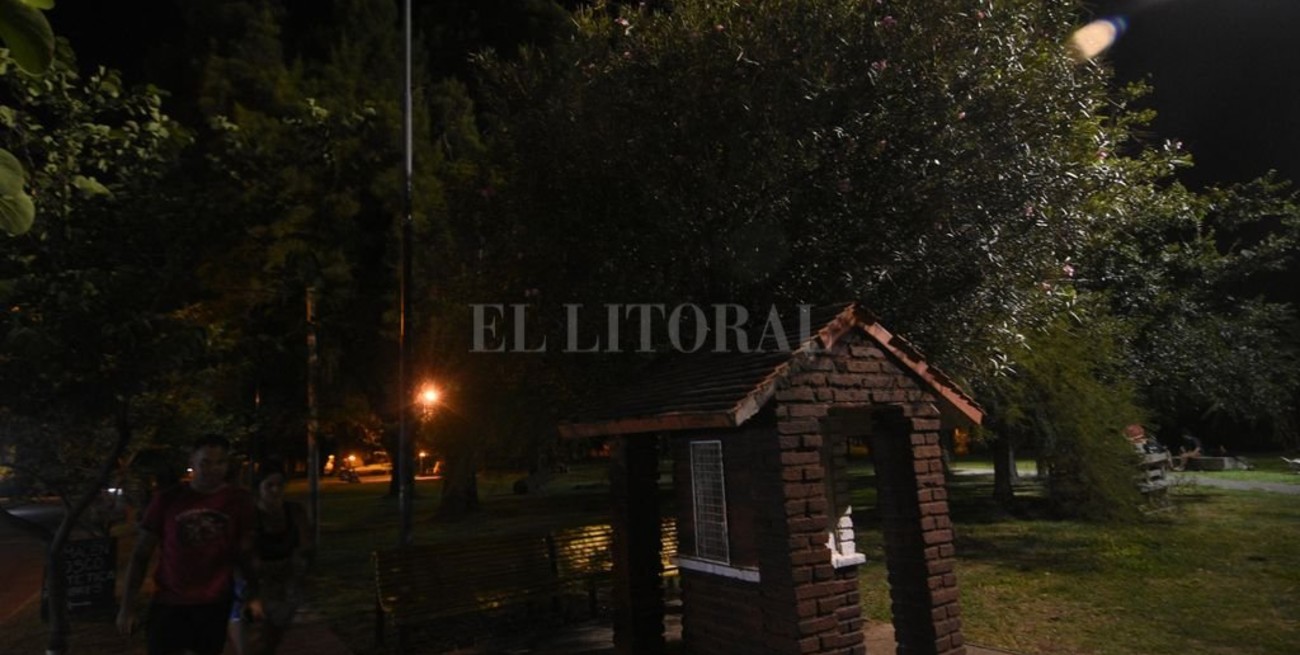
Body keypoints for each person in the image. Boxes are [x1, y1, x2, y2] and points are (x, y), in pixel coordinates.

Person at [117, 435, 262, 655]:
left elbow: (244, 553)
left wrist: (253, 594)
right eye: (205, 462)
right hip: (170, 601)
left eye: (220, 462)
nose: (213, 469)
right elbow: (141, 554)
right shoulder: (167, 500)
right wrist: (127, 606)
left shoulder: (239, 502)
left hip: (213, 603)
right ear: (192, 461)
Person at [228, 459, 314, 655]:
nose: (275, 490)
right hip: (252, 586)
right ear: (259, 487)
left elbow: (306, 546)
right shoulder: (249, 515)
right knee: (251, 641)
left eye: (280, 485)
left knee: (271, 641)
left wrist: (299, 567)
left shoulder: (294, 512)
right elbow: (243, 555)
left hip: (284, 585)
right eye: (269, 485)